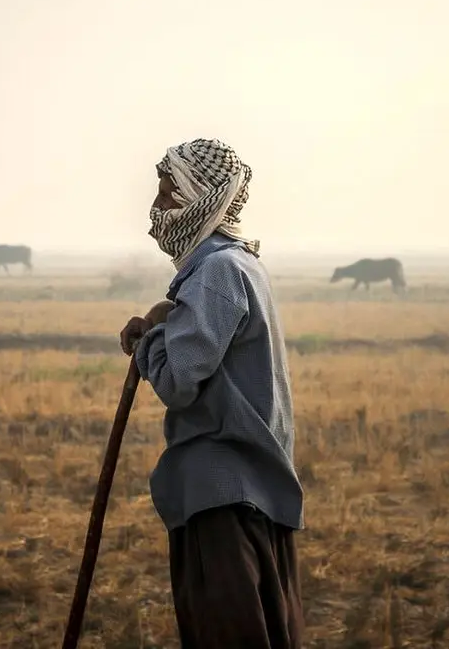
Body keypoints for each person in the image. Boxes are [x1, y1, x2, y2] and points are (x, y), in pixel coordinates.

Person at [119, 138, 305, 649]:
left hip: (220, 496)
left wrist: (151, 339)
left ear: (199, 198)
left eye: (168, 194)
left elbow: (180, 381)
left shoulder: (216, 271)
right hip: (254, 489)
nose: (157, 208)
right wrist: (167, 318)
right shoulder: (243, 264)